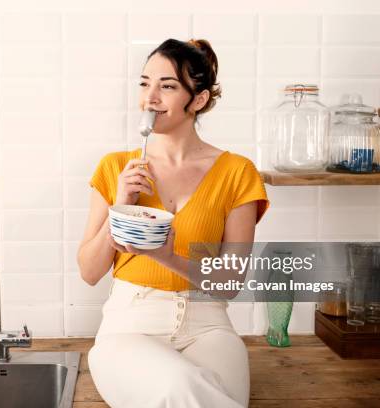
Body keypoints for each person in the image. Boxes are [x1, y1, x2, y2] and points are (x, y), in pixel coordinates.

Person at [77, 38, 270, 408]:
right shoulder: (115, 168)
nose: (150, 97)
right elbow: (89, 271)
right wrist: (120, 206)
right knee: (179, 387)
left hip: (208, 325)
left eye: (167, 86)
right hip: (130, 325)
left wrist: (166, 255)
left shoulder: (237, 172)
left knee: (205, 394)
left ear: (198, 100)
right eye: (145, 83)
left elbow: (228, 283)